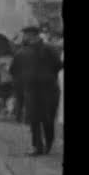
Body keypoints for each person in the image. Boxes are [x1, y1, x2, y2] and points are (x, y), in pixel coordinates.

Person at [13, 25, 63, 155]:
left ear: (31, 35)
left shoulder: (23, 52)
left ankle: (40, 146)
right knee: (44, 118)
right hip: (47, 88)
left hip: (36, 88)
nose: (25, 37)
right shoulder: (50, 49)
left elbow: (14, 70)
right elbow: (58, 65)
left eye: (26, 34)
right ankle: (45, 145)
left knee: (38, 118)